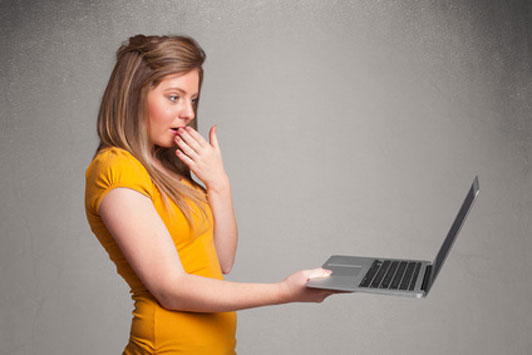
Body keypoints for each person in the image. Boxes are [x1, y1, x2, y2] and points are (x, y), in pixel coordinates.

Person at [84, 34, 336, 355]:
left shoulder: (170, 171)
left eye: (193, 99)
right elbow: (171, 290)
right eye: (174, 97)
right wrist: (284, 291)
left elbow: (222, 261)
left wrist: (218, 183)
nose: (188, 112)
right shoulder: (116, 168)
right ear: (132, 97)